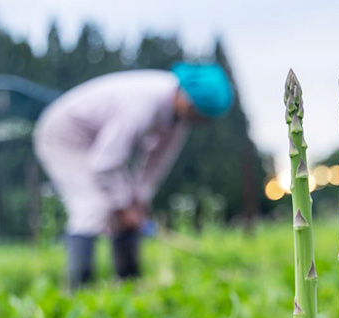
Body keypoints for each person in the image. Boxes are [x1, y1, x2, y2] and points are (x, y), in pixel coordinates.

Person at [33, 63, 234, 288]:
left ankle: (128, 285)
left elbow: (155, 164)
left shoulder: (179, 117)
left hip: (98, 142)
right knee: (93, 205)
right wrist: (124, 205)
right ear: (189, 102)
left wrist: (138, 201)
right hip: (65, 134)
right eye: (200, 116)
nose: (200, 123)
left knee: (124, 207)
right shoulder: (144, 103)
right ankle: (79, 290)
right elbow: (106, 163)